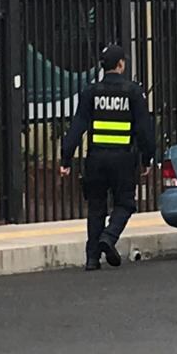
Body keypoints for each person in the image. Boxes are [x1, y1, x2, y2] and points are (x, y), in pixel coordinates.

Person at [59, 45, 155, 270]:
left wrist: (65, 160)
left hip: (96, 159)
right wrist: (147, 158)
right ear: (121, 64)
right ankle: (109, 237)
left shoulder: (90, 92)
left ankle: (92, 259)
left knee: (96, 207)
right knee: (125, 203)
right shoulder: (132, 92)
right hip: (122, 159)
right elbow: (144, 130)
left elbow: (76, 127)